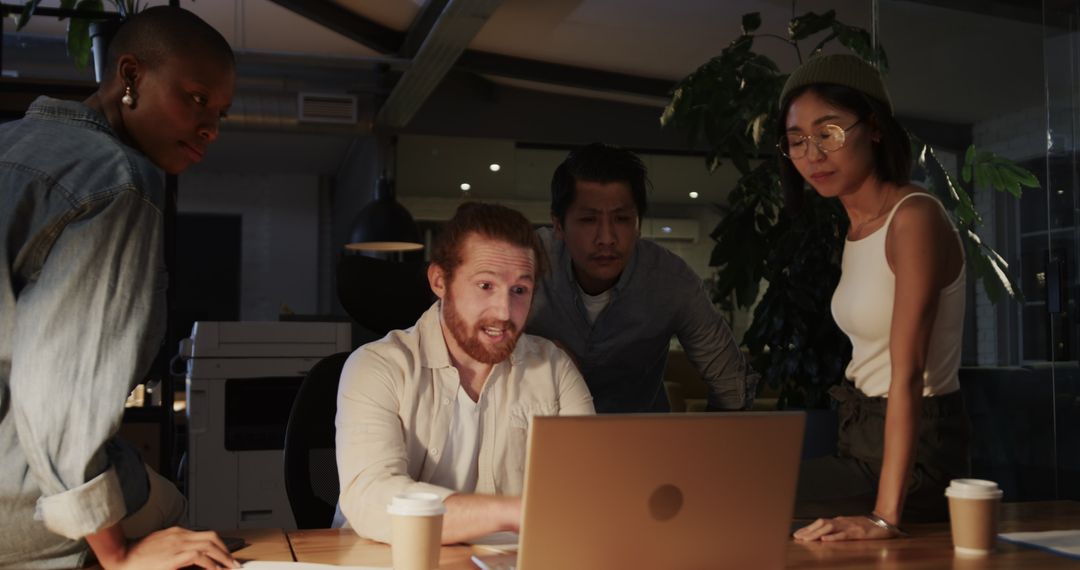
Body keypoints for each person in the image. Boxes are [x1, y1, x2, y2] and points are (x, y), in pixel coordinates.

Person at [0, 7, 237, 569]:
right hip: (15, 497)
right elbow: (60, 390)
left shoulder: (9, 143)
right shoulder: (118, 180)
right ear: (130, 75)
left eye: (220, 113)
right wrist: (120, 555)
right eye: (197, 98)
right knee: (182, 523)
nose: (211, 127)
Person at [778, 54, 971, 542]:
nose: (813, 155)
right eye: (797, 140)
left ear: (876, 129)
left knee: (738, 493)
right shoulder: (858, 227)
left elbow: (908, 374)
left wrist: (884, 518)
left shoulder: (914, 217)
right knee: (730, 482)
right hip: (861, 440)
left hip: (915, 457)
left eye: (829, 132)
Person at [333, 202, 595, 544]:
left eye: (519, 290)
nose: (504, 311)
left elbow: (588, 489)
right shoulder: (376, 367)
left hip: (510, 561)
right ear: (439, 281)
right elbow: (371, 498)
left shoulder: (555, 369)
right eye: (485, 286)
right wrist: (514, 513)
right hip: (389, 558)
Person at [526, 143, 759, 413]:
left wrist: (712, 438)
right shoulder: (526, 262)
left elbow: (730, 383)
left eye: (622, 219)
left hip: (639, 434)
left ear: (638, 224)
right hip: (542, 430)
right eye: (588, 220)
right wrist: (535, 348)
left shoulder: (670, 281)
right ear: (558, 225)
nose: (606, 238)